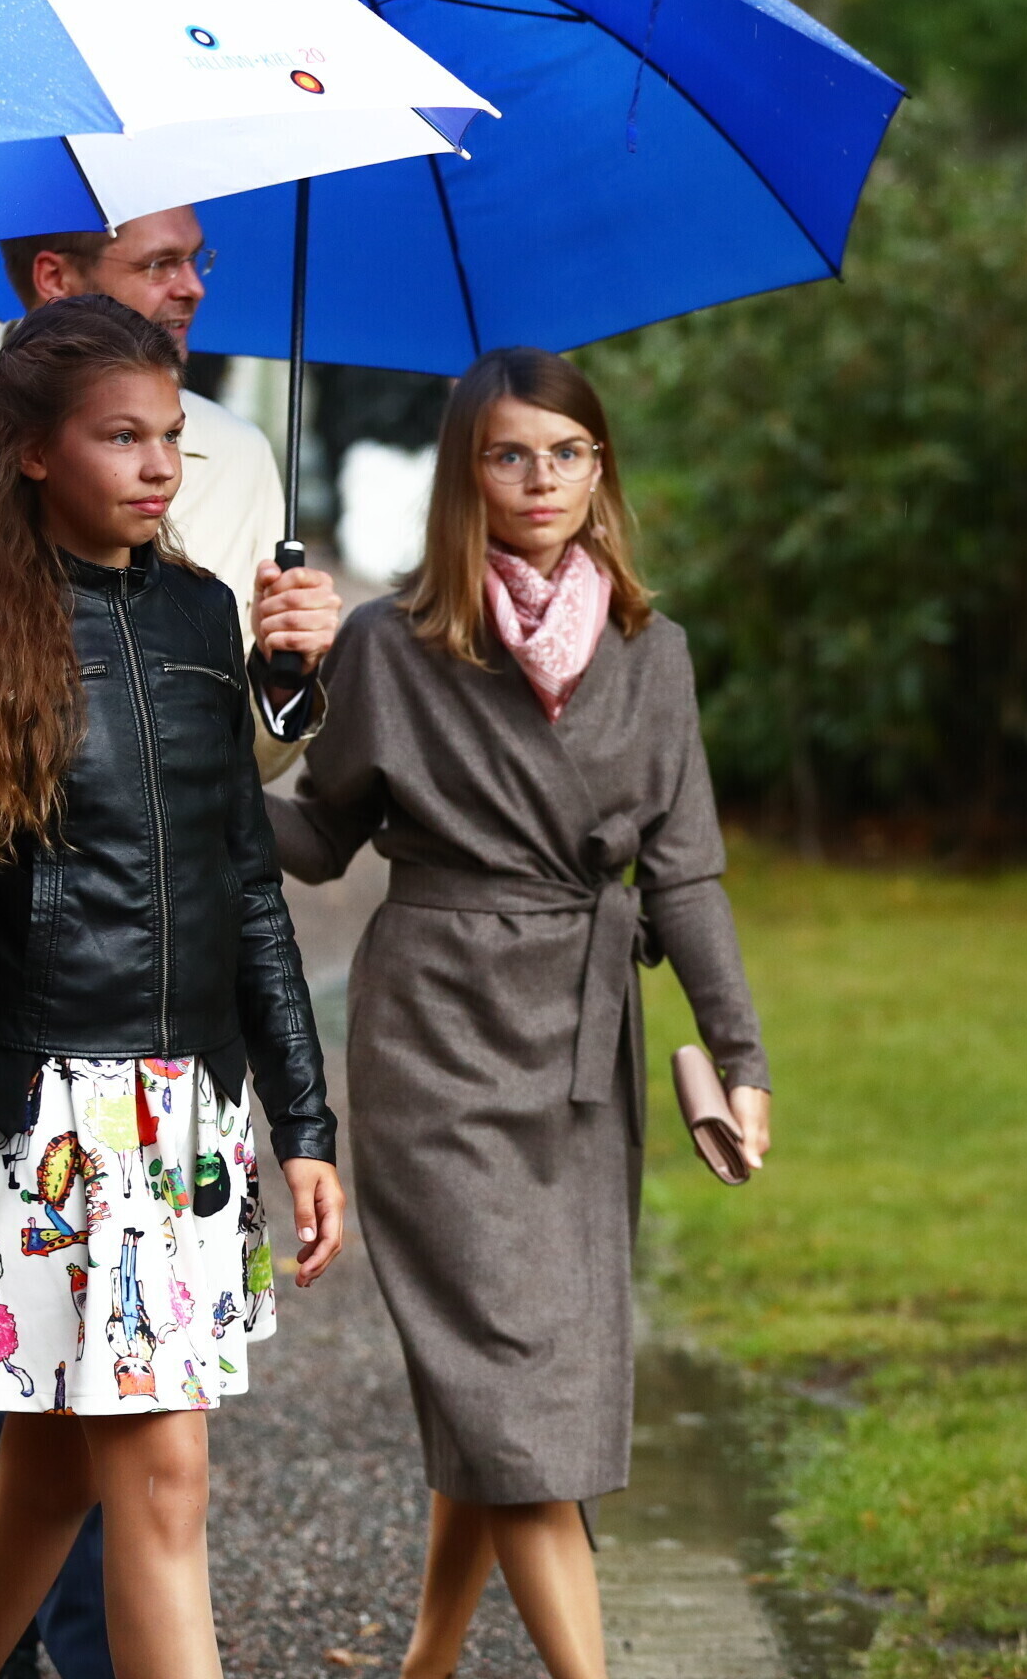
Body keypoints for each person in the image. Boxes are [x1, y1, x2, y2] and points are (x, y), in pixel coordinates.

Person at [0, 207, 342, 1679]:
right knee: (159, 1478)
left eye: (169, 439)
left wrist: (305, 1122)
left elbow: (248, 888)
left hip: (190, 1107)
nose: (159, 467)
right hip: (46, 1112)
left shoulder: (203, 617)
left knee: (50, 1483)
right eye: (122, 438)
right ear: (31, 453)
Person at [266, 348, 772, 1679]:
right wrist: (202, 747)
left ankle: (427, 1666)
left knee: (518, 1389)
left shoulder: (652, 653)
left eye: (567, 453)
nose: (542, 480)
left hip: (580, 1053)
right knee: (508, 1383)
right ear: (466, 475)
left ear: (600, 470)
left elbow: (686, 874)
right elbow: (318, 839)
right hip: (435, 1041)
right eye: (509, 455)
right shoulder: (389, 643)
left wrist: (741, 1055)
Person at [0, 205, 340, 788]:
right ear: (55, 278)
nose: (193, 287)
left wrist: (284, 679)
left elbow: (238, 772)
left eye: (194, 258)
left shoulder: (239, 454)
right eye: (159, 264)